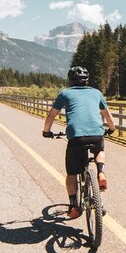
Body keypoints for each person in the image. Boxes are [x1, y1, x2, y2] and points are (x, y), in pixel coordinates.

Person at [42, 66, 115, 220]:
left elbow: (51, 115)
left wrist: (46, 131)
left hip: (76, 137)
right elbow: (108, 116)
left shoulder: (65, 93)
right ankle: (101, 172)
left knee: (71, 173)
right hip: (96, 134)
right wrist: (112, 129)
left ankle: (74, 205)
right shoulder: (96, 93)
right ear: (87, 80)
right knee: (99, 150)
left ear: (70, 80)